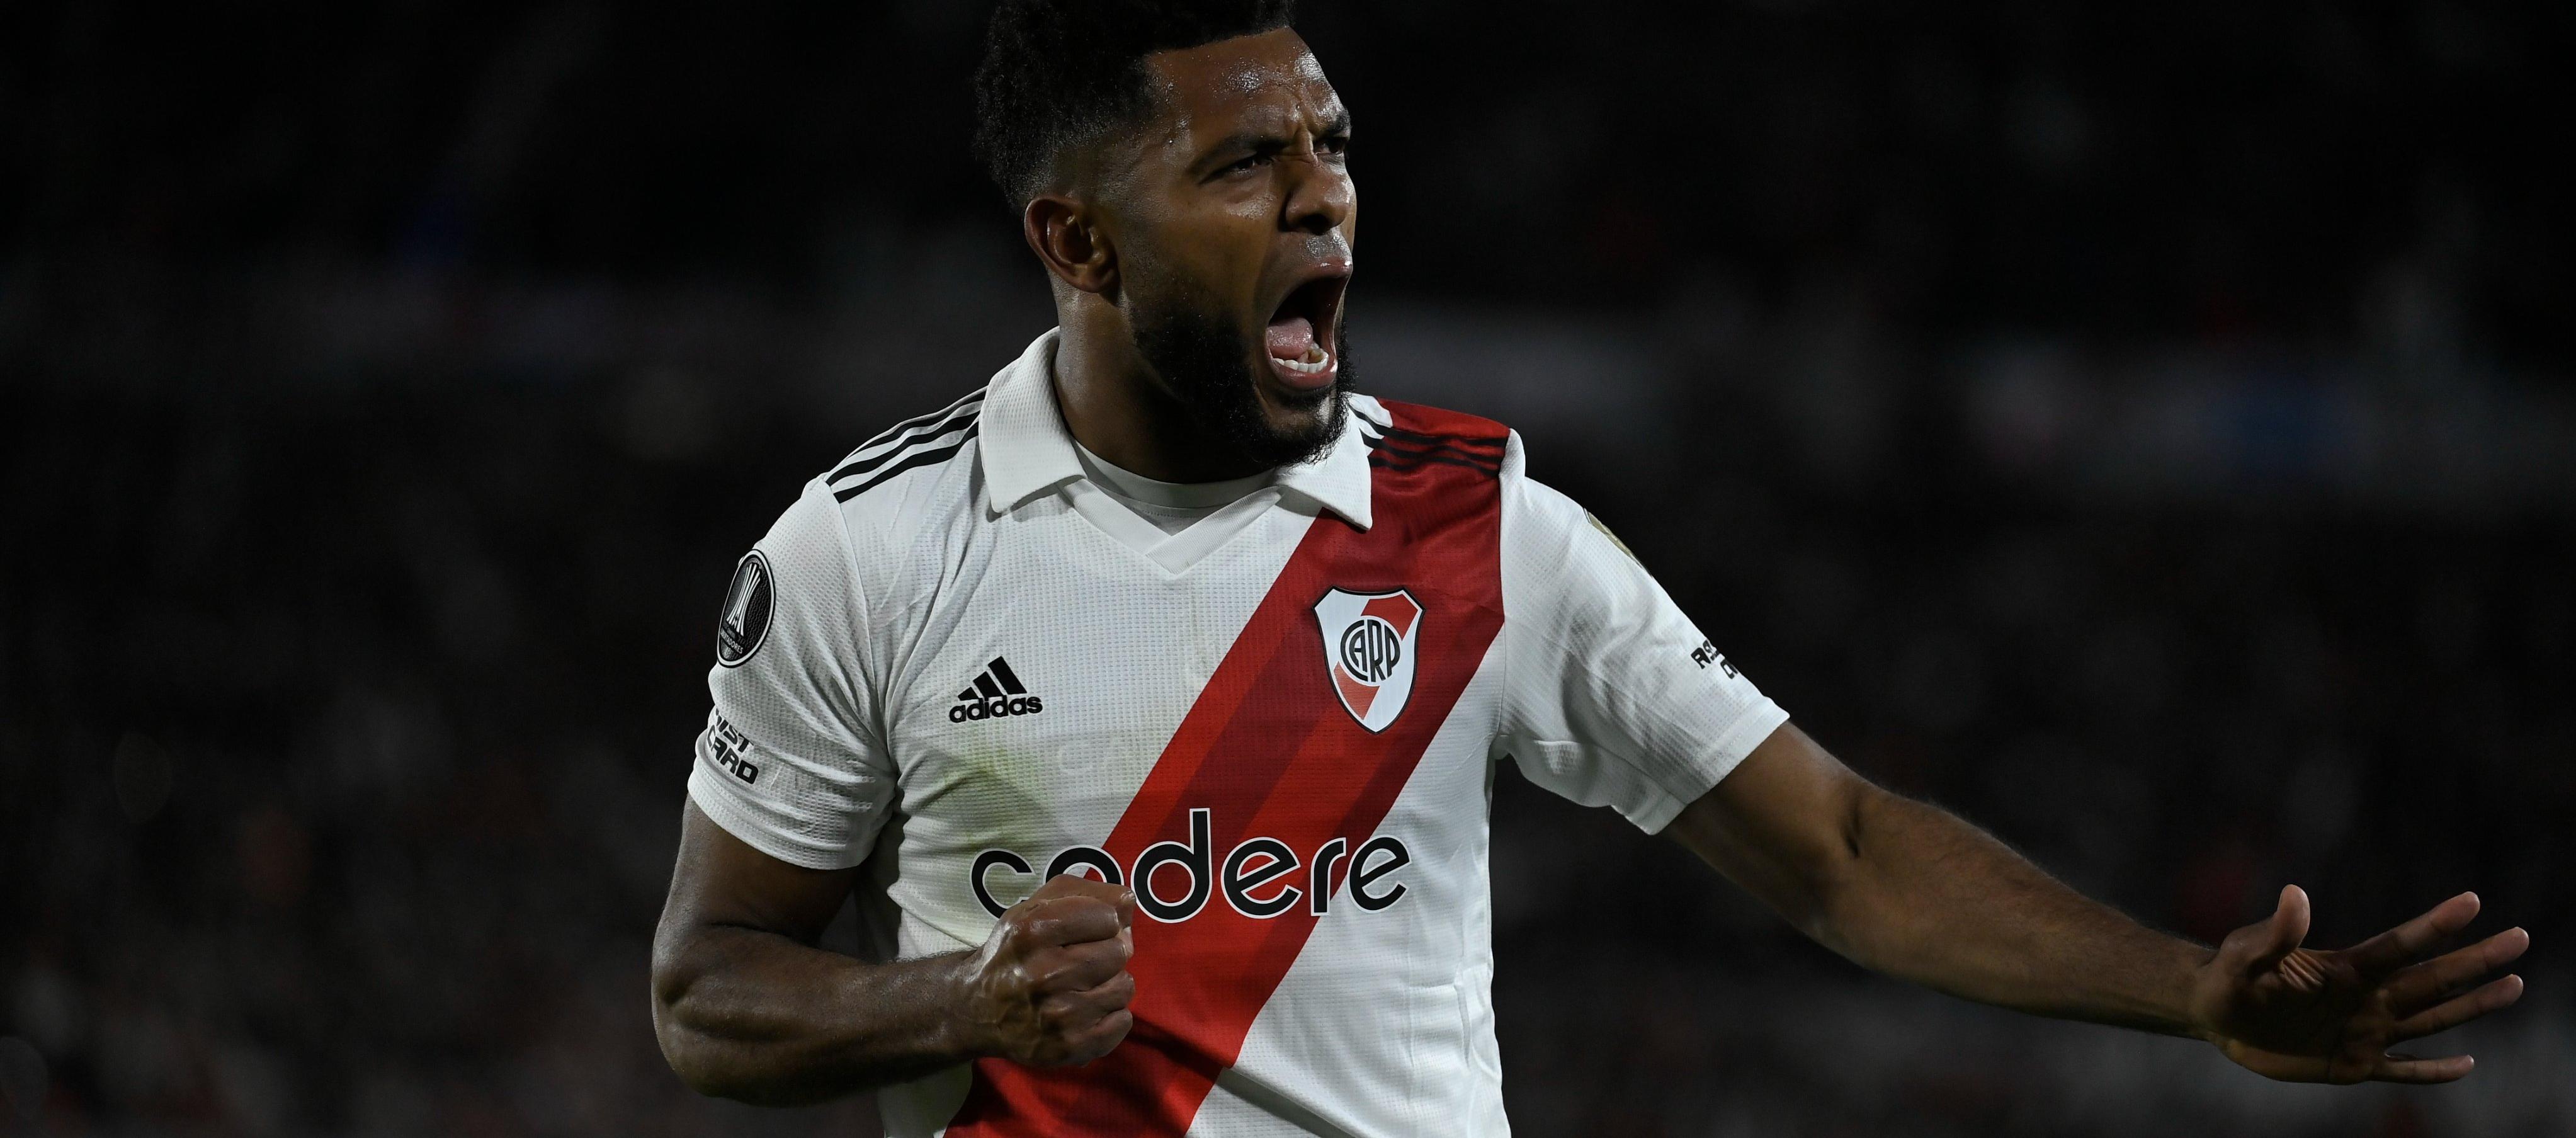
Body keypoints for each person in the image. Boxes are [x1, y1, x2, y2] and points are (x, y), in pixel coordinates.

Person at [648, 3, 2529, 1133]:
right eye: (1242, 165)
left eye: (1331, 143)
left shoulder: (1481, 538)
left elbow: (1845, 856)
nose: (1322, 195)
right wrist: (950, 1010)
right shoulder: (865, 552)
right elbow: (707, 991)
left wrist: (2186, 987)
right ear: (1077, 237)